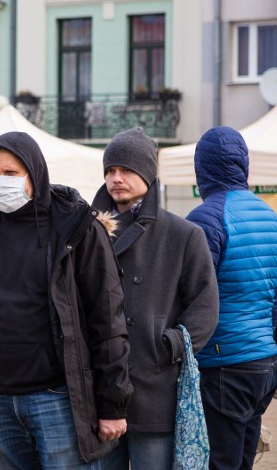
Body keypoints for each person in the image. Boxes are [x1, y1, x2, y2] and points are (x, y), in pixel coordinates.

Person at [0, 131, 133, 468]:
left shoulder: (75, 227)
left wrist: (112, 404)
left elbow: (108, 318)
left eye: (10, 173)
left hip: (55, 397)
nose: (1, 182)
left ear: (34, 173)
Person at [92, 127, 218, 470]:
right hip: (98, 394)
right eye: (110, 171)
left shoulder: (184, 234)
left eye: (127, 170)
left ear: (148, 174)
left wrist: (168, 346)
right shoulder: (86, 233)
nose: (116, 179)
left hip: (154, 389)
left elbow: (205, 307)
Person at [184, 127, 277, 470]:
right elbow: (276, 298)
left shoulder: (205, 218)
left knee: (218, 463)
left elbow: (190, 296)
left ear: (202, 167)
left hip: (222, 363)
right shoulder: (272, 217)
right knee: (243, 461)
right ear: (244, 164)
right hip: (265, 363)